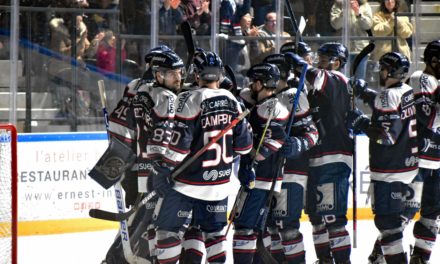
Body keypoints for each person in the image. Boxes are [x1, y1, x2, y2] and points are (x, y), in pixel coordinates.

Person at [149, 51, 253, 264]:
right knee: (214, 236)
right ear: (220, 74)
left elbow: (179, 148)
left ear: (196, 74)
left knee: (167, 233)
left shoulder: (189, 98)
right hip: (220, 185)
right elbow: (244, 147)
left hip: (188, 185)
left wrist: (163, 170)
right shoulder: (232, 100)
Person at [347, 51, 418, 263]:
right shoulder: (407, 91)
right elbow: (387, 105)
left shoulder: (388, 96)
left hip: (389, 171)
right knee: (397, 222)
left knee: (388, 225)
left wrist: (361, 123)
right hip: (410, 169)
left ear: (389, 71)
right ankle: (380, 256)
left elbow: (385, 137)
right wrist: (364, 93)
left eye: (383, 69)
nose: (380, 72)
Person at [285, 42, 353, 264]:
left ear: (337, 62)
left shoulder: (337, 79)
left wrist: (300, 64)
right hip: (315, 158)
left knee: (333, 219)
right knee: (316, 218)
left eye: (324, 59)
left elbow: (313, 74)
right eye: (319, 58)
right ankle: (324, 259)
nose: (319, 62)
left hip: (333, 157)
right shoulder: (318, 85)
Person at [263, 53, 319, 263]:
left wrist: (297, 144)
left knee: (287, 227)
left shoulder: (292, 95)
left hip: (291, 171)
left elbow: (312, 133)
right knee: (271, 228)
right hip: (270, 173)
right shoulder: (267, 97)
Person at [232, 62, 289, 263]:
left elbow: (276, 139)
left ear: (260, 83)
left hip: (261, 178)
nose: (250, 86)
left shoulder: (270, 108)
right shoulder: (263, 105)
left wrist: (253, 156)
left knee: (244, 229)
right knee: (254, 230)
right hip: (263, 178)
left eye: (252, 82)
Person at [406, 40, 440, 263]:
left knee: (432, 214)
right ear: (434, 60)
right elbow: (428, 118)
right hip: (416, 159)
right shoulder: (421, 78)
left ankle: (420, 256)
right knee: (403, 213)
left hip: (436, 161)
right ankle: (382, 253)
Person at [330, 0, 373, 80]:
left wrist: (358, 13)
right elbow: (335, 25)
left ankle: (358, 93)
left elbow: (368, 25)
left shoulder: (364, 5)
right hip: (343, 50)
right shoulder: (338, 5)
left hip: (360, 49)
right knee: (343, 79)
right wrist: (345, 11)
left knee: (359, 80)